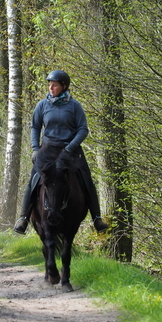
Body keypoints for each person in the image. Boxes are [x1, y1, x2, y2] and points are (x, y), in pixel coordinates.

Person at [14, 70, 109, 234]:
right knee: (34, 180)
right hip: (48, 149)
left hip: (70, 151)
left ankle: (97, 219)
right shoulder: (42, 105)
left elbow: (83, 129)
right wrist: (35, 149)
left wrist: (70, 147)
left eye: (55, 85)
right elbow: (35, 127)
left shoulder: (74, 106)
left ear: (64, 87)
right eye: (49, 84)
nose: (51, 87)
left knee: (87, 180)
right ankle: (23, 218)